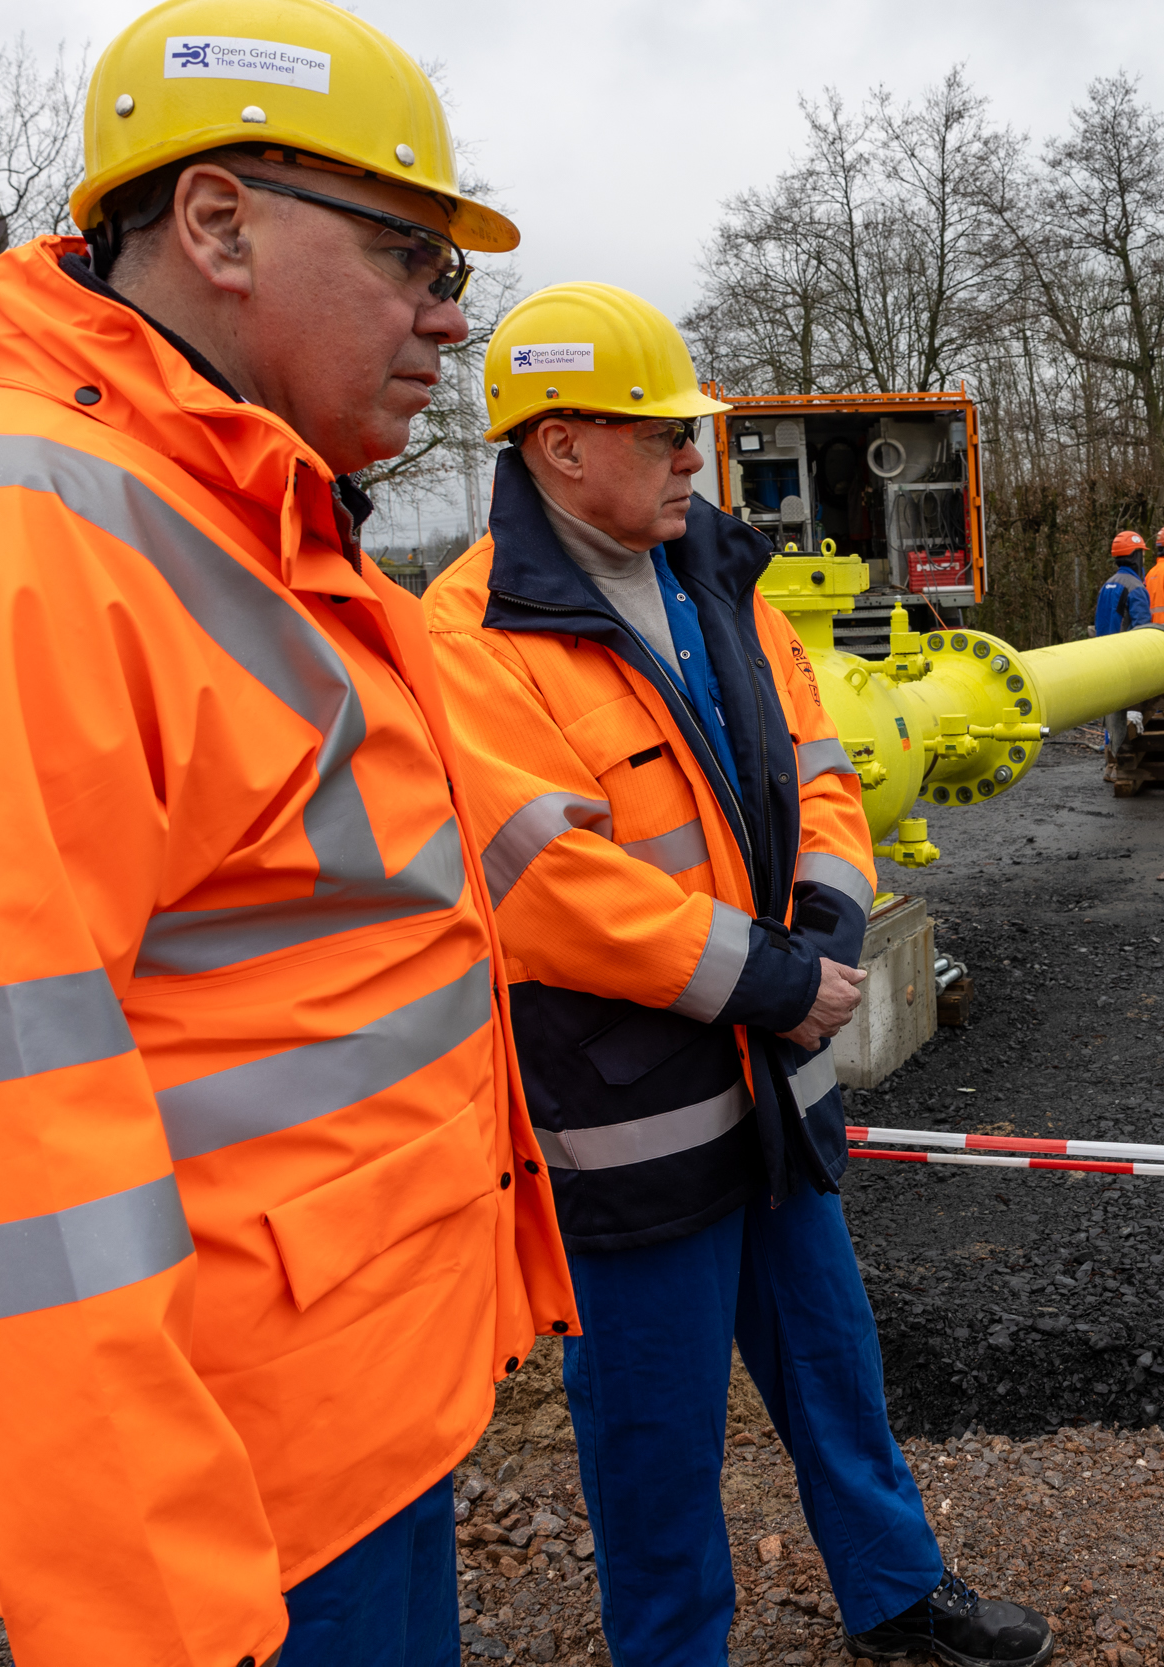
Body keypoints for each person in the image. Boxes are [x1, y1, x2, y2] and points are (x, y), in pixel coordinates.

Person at [0, 3, 578, 1664]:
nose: (450, 317)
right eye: (409, 255)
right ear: (220, 224)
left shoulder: (258, 528)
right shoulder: (1, 533)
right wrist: (147, 1601)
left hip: (352, 1419)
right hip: (232, 1514)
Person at [423, 283, 1056, 1667]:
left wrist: (826, 931)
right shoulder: (469, 635)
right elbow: (545, 882)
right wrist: (772, 980)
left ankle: (895, 1587)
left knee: (832, 1354)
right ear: (560, 445)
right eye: (663, 434)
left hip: (775, 1064)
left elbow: (823, 771)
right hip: (632, 1100)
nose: (693, 459)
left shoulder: (719, 576)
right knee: (653, 1421)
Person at [1094, 529, 1152, 635]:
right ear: (1136, 557)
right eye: (1142, 556)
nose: (1143, 560)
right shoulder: (1136, 588)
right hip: (1126, 645)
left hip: (1103, 645)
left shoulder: (1106, 586)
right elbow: (1143, 630)